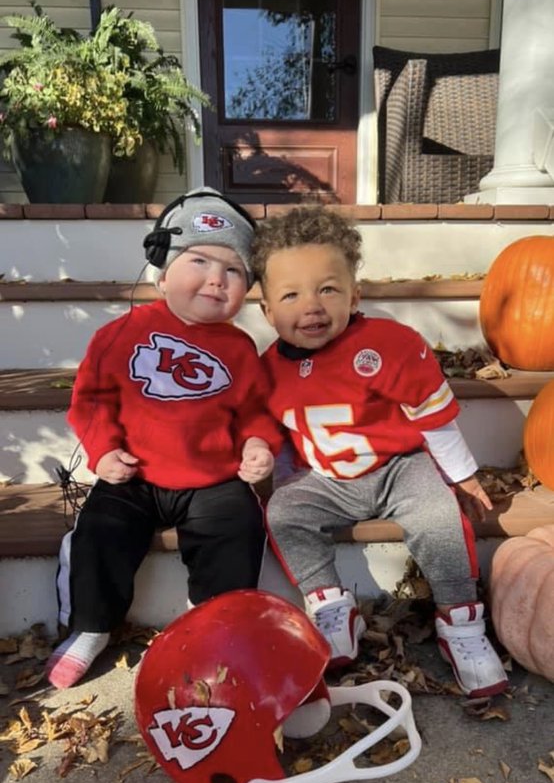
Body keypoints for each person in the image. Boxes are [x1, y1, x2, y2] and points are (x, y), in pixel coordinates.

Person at [251, 204, 508, 700]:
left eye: (328, 289)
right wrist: (266, 460)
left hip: (398, 468)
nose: (312, 305)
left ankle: (460, 621)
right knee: (283, 512)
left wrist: (462, 475)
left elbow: (433, 417)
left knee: (437, 516)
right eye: (291, 294)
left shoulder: (387, 344)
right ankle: (331, 605)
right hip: (324, 477)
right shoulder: (266, 369)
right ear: (267, 311)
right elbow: (269, 429)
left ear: (355, 295)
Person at [46, 188, 280, 689]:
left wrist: (258, 445)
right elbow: (92, 400)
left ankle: (212, 623)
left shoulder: (241, 349)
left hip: (212, 478)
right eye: (199, 261)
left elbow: (256, 412)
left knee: (239, 526)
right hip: (135, 473)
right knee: (101, 530)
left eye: (233, 270)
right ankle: (91, 626)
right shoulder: (119, 334)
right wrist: (103, 451)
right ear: (162, 272)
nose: (216, 278)